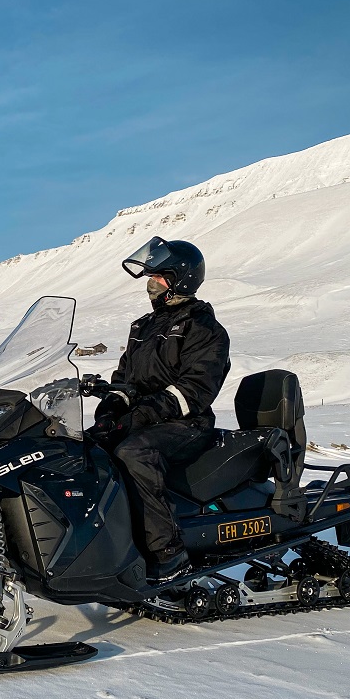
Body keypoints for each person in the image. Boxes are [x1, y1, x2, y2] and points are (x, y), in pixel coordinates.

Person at [86, 237, 231, 581]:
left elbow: (193, 391)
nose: (150, 283)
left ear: (180, 280)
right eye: (150, 276)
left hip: (187, 424)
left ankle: (168, 551)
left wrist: (138, 416)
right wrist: (109, 410)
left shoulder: (205, 329)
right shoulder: (143, 327)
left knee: (134, 452)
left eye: (158, 276)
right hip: (147, 420)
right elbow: (124, 380)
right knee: (83, 448)